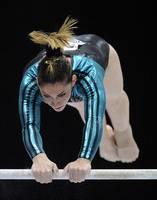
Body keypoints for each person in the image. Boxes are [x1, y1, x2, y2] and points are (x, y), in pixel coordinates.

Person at [18, 16, 139, 184]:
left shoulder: (88, 74)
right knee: (81, 103)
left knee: (112, 99)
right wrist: (38, 157)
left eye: (60, 95)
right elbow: (29, 124)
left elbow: (94, 117)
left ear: (73, 80)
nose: (55, 103)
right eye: (46, 96)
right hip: (70, 79)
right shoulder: (30, 82)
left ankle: (123, 132)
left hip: (99, 52)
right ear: (38, 83)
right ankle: (103, 138)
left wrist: (84, 158)